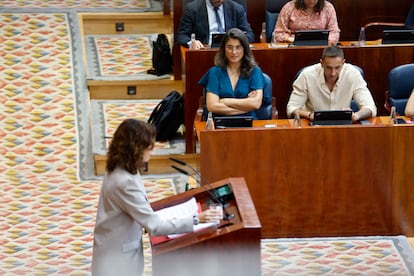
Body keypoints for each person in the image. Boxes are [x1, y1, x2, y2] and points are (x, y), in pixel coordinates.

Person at [91, 119, 222, 276]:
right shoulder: (125, 182)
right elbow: (155, 226)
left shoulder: (120, 165)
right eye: (149, 147)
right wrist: (196, 219)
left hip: (112, 247)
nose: (152, 151)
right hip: (118, 260)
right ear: (137, 149)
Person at [287, 45, 377, 122]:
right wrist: (310, 115)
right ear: (321, 63)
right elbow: (292, 108)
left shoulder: (353, 74)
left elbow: (370, 107)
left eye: (337, 68)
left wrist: (357, 115)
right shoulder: (307, 75)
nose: (333, 73)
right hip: (313, 125)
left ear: (343, 63)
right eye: (329, 68)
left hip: (342, 125)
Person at [198, 28, 264, 118]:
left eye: (238, 47)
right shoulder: (215, 72)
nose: (234, 52)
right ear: (224, 49)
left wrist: (226, 101)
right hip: (219, 122)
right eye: (229, 47)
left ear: (245, 49)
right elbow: (212, 106)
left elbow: (255, 104)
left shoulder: (255, 71)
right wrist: (246, 106)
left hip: (248, 123)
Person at [176, 0, 254, 49]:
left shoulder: (237, 9)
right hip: (204, 52)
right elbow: (181, 35)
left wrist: (239, 41)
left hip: (231, 52)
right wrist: (191, 42)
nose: (220, 0)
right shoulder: (192, 9)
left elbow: (249, 35)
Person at [273, 0, 340, 45]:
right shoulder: (289, 7)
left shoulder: (328, 8)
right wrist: (292, 39)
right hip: (294, 46)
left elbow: (334, 33)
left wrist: (322, 41)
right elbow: (278, 33)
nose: (311, 0)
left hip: (320, 47)